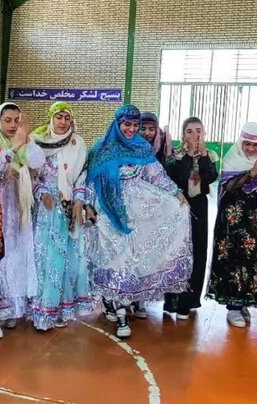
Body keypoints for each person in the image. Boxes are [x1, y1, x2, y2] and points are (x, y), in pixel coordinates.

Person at [86, 104, 193, 338]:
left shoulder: (142, 148)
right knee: (112, 259)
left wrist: (175, 194)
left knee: (128, 260)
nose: (131, 129)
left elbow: (156, 175)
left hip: (137, 214)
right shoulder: (101, 147)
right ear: (117, 123)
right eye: (127, 124)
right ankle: (111, 301)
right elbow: (91, 180)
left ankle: (121, 309)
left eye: (135, 125)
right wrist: (88, 205)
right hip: (106, 212)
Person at [207, 122, 257, 328]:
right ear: (241, 142)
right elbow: (230, 187)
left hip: (256, 221)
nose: (251, 149)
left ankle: (244, 304)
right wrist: (252, 172)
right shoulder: (232, 159)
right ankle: (233, 307)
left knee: (253, 259)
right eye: (247, 144)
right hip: (232, 222)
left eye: (255, 145)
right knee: (233, 258)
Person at [0, 102, 46, 339]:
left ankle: (13, 309)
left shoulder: (23, 139)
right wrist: (16, 146)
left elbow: (38, 163)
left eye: (16, 120)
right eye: (8, 120)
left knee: (17, 255)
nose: (12, 125)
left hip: (19, 207)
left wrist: (25, 141)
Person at [30, 101, 91, 330]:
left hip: (68, 209)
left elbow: (81, 176)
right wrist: (42, 193)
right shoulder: (39, 142)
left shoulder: (78, 143)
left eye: (67, 117)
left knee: (67, 259)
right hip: (47, 209)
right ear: (51, 118)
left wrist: (79, 200)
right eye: (59, 117)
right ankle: (43, 311)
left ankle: (63, 307)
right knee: (46, 259)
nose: (63, 122)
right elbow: (32, 175)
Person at [164, 117, 218, 319]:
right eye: (189, 131)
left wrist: (201, 154)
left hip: (199, 207)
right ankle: (173, 301)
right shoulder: (176, 155)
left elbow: (210, 177)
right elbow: (171, 177)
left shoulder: (209, 155)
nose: (194, 135)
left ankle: (189, 300)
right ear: (183, 134)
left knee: (197, 250)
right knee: (177, 251)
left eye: (198, 130)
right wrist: (184, 155)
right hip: (178, 206)